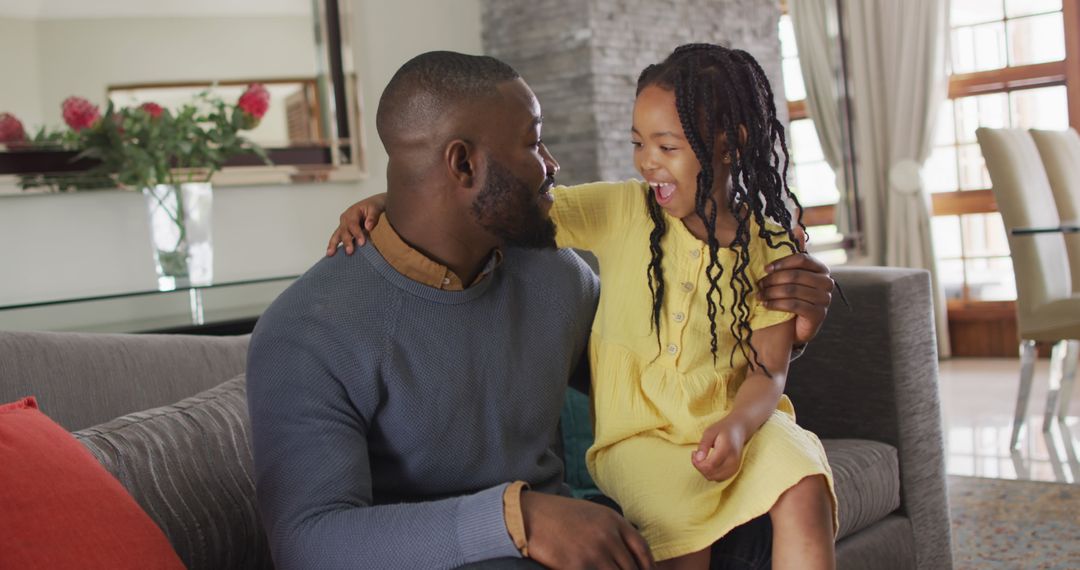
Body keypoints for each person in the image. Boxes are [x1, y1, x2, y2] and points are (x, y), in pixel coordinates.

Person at [326, 45, 838, 570]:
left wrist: (739, 424)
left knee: (804, 478)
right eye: (638, 143)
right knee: (681, 521)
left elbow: (768, 370)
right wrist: (398, 200)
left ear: (732, 146)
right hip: (642, 440)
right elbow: (513, 207)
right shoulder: (624, 210)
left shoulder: (773, 247)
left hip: (736, 419)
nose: (647, 161)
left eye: (667, 146)